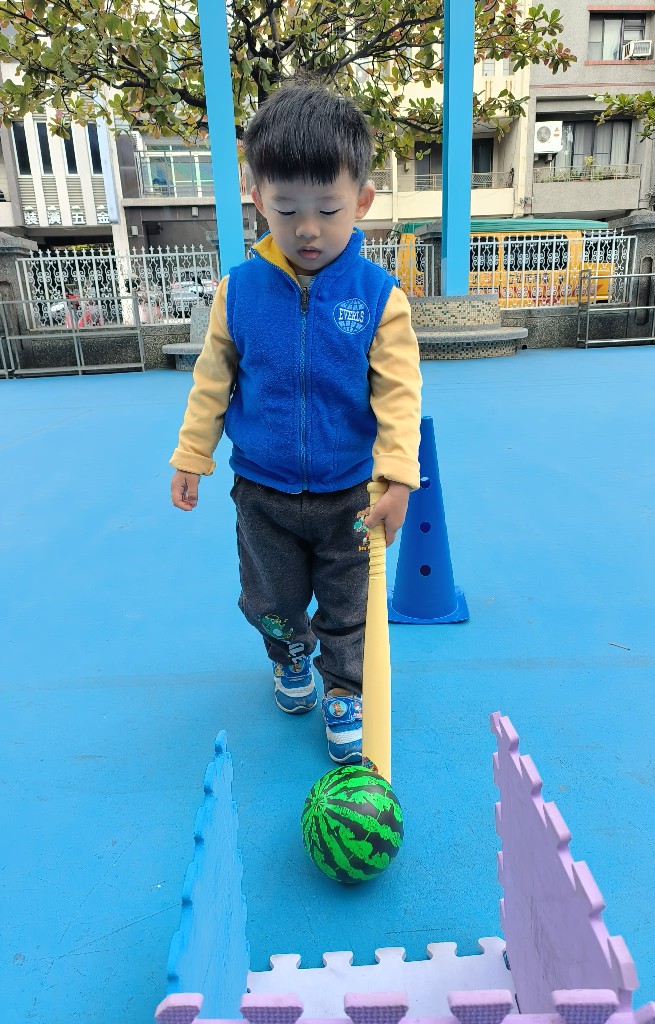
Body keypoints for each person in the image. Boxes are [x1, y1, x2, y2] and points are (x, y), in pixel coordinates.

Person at [169, 78, 422, 765]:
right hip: (263, 491)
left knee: (349, 602)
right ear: (257, 198)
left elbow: (399, 393)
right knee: (271, 600)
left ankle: (344, 689)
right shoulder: (238, 293)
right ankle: (289, 658)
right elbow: (212, 379)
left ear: (362, 201)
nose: (308, 228)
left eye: (328, 209)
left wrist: (399, 475)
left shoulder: (379, 297)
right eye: (286, 209)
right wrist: (192, 455)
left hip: (350, 493)